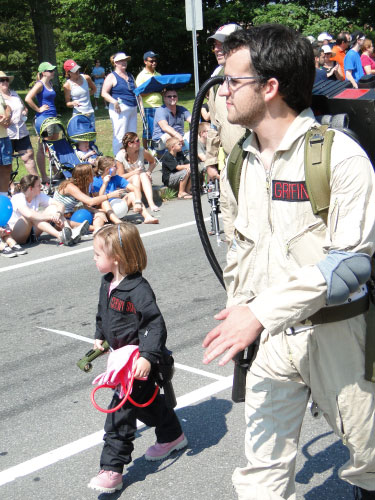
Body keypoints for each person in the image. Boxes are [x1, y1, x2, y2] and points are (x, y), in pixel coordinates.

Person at [202, 24, 375, 500]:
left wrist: (259, 313)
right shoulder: (242, 159)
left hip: (337, 336)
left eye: (233, 81)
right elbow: (241, 248)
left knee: (370, 462)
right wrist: (242, 312)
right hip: (271, 345)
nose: (222, 91)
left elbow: (350, 263)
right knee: (261, 475)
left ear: (270, 87)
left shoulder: (339, 157)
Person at [88, 222, 187, 493]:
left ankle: (112, 469)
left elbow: (154, 324)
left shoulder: (138, 289)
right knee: (146, 403)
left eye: (98, 254)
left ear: (116, 258)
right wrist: (100, 334)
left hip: (136, 362)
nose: (94, 258)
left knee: (120, 413)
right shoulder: (108, 282)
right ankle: (172, 435)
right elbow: (103, 313)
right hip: (121, 357)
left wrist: (147, 356)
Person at [205, 23, 245, 182]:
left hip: (254, 163)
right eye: (215, 45)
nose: (217, 49)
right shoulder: (215, 80)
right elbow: (215, 125)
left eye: (223, 44)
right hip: (230, 163)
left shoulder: (256, 76)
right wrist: (211, 161)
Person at [8, 174, 83, 246]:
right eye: (38, 185)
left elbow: (60, 205)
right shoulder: (18, 198)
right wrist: (51, 217)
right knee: (32, 216)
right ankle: (60, 236)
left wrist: (58, 214)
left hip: (33, 232)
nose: (41, 186)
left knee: (53, 208)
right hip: (17, 235)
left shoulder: (38, 195)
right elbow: (29, 214)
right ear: (31, 188)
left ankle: (70, 232)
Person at [53, 163, 126, 233]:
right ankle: (95, 228)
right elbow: (90, 202)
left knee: (100, 213)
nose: (94, 175)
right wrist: (110, 195)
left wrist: (96, 211)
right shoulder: (70, 186)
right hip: (59, 217)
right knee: (64, 223)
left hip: (72, 214)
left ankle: (98, 229)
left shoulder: (84, 186)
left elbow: (86, 206)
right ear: (86, 176)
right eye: (92, 174)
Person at [92, 156, 159, 224]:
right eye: (114, 166)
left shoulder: (116, 178)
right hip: (105, 211)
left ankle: (147, 217)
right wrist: (105, 184)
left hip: (118, 208)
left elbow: (135, 188)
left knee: (132, 194)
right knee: (104, 201)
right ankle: (118, 222)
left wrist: (137, 202)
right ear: (107, 170)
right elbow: (98, 200)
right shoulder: (95, 181)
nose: (117, 168)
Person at [25, 62, 58, 186]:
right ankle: (44, 177)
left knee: (53, 146)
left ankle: (55, 171)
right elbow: (28, 98)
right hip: (44, 119)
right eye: (50, 70)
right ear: (43, 72)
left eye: (53, 70)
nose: (53, 72)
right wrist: (38, 109)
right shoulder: (40, 84)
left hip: (53, 118)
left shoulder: (50, 83)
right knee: (43, 147)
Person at [0, 71, 38, 178]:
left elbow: (24, 107)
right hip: (6, 134)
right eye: (1, 80)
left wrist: (24, 112)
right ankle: (9, 187)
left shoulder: (15, 94)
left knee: (29, 157)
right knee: (7, 162)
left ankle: (37, 183)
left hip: (21, 131)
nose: (5, 82)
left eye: (6, 80)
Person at [101, 52, 137, 155]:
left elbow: (136, 92)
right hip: (119, 109)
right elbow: (104, 93)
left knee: (132, 135)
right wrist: (114, 101)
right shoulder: (111, 76)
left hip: (132, 107)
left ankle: (131, 157)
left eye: (125, 60)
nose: (124, 62)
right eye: (121, 61)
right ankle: (119, 159)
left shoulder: (130, 75)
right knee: (120, 134)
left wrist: (141, 109)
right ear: (115, 63)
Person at [116, 132, 159, 212]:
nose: (139, 142)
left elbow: (153, 162)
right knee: (136, 176)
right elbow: (120, 176)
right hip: (129, 183)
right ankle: (138, 202)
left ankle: (151, 203)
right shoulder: (120, 155)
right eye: (137, 141)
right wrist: (134, 173)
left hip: (144, 180)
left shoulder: (142, 151)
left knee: (143, 175)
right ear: (129, 144)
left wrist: (148, 172)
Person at [135, 51, 162, 149]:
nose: (154, 63)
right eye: (151, 61)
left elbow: (162, 91)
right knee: (147, 130)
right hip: (147, 107)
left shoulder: (158, 75)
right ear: (145, 62)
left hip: (160, 105)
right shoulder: (141, 76)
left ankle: (158, 149)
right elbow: (139, 93)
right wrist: (154, 89)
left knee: (159, 129)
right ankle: (146, 151)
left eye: (155, 61)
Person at [63, 59, 96, 129]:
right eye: (74, 70)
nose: (77, 71)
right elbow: (67, 103)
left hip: (90, 112)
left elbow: (94, 89)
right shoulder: (67, 85)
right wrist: (72, 103)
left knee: (92, 138)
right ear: (69, 72)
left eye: (77, 69)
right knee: (80, 138)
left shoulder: (86, 78)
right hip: (78, 115)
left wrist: (86, 95)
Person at [0, 84, 12, 198]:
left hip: (3, 136)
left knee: (6, 167)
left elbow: (7, 107)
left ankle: (3, 198)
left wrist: (7, 117)